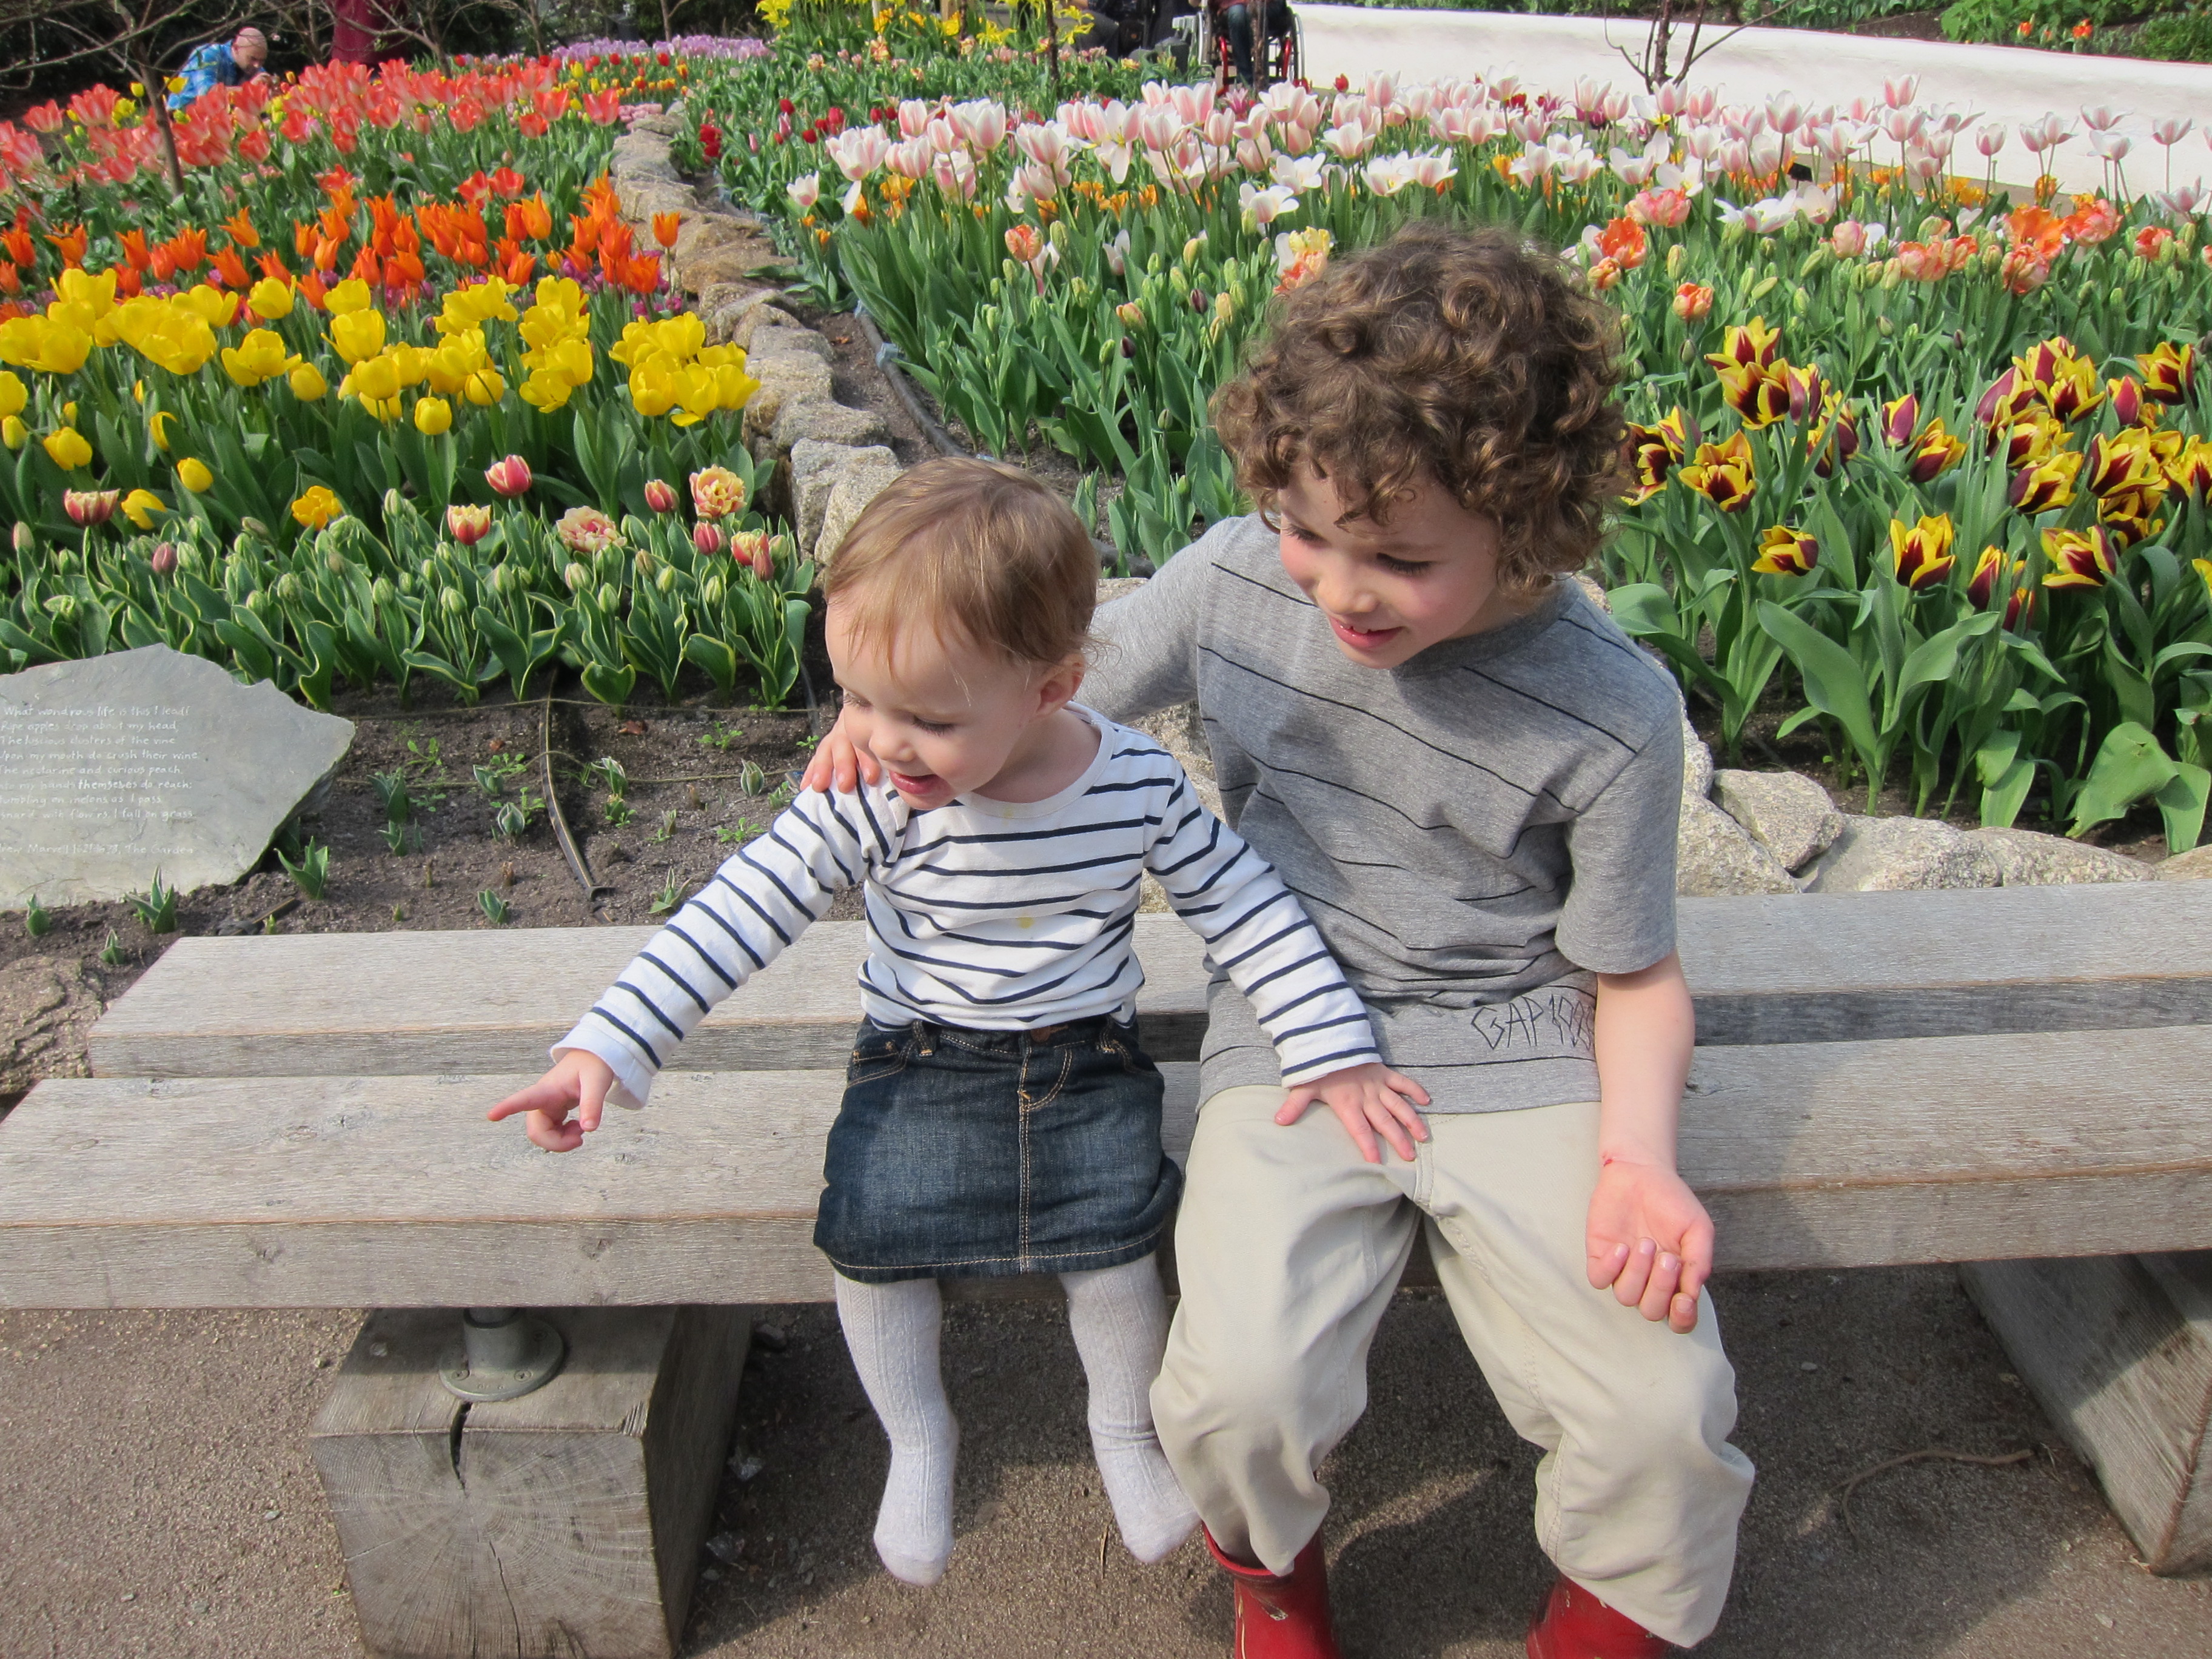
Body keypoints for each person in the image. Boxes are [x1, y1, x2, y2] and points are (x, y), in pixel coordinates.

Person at [804, 225, 1757, 1657]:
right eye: (1308, 529)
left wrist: (1637, 1161)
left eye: (1401, 558)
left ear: (1530, 519)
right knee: (1232, 1383)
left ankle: (1603, 1626)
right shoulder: (1240, 580)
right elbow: (1040, 696)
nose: (1338, 586)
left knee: (1661, 1409)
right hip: (1293, 1026)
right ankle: (1278, 1593)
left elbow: (1633, 975)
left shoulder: (1607, 707)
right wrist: (888, 718)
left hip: (1522, 1046)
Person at [489, 457, 1430, 1592]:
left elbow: (1243, 904)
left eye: (927, 716)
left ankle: (1123, 1431)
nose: (882, 738)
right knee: (870, 1243)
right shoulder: (874, 791)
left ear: (1051, 688)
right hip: (921, 1052)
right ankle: (920, 1437)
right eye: (856, 697)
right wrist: (608, 1042)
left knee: (1114, 1245)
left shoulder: (1133, 782)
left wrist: (1329, 1043)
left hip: (1083, 1057)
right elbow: (743, 906)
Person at [168, 27, 267, 110]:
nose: (257, 65)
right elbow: (206, 93)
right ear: (236, 48)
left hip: (212, 119)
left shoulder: (254, 68)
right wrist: (249, 90)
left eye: (262, 61)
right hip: (180, 117)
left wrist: (269, 92)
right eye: (253, 59)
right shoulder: (208, 53)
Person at [1216, 0, 1290, 85]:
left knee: (1256, 12)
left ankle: (1262, 79)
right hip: (1233, 6)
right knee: (1237, 15)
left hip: (1267, 6)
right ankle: (1246, 80)